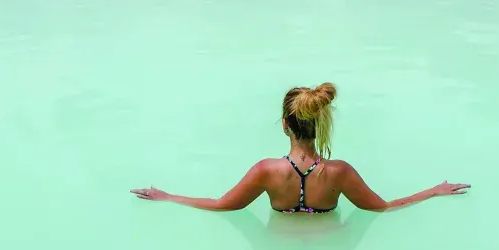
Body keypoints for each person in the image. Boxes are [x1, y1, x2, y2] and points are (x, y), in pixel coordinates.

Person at [131, 83, 469, 213]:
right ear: (320, 124)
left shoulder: (266, 171)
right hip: (328, 248)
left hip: (281, 248)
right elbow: (383, 207)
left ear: (284, 125)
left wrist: (169, 197)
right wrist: (433, 192)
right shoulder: (338, 173)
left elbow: (221, 205)